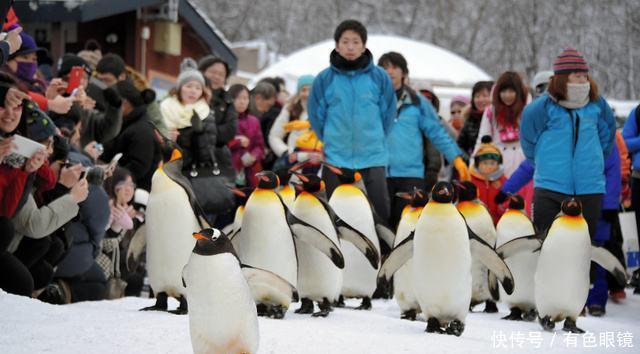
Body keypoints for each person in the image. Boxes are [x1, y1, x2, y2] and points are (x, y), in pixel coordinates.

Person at [520, 47, 616, 239]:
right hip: (549, 188)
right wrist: (543, 164)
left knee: (582, 248)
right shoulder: (541, 108)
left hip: (589, 188)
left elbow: (608, 138)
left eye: (584, 76)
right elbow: (528, 141)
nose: (583, 80)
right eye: (577, 76)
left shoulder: (597, 105)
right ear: (562, 78)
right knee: (546, 245)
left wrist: (594, 162)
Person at [307, 19, 396, 221]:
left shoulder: (379, 77)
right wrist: (330, 138)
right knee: (334, 217)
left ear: (364, 46)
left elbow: (388, 114)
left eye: (355, 42)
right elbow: (316, 116)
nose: (350, 47)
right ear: (337, 46)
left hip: (372, 156)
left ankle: (381, 252)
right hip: (336, 157)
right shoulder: (324, 79)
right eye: (345, 41)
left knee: (379, 215)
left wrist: (376, 137)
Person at [377, 51, 468, 229]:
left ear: (403, 72)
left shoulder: (418, 102)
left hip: (411, 175)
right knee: (380, 227)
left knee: (408, 229)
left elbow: (437, 132)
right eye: (385, 67)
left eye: (394, 67)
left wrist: (456, 158)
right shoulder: (372, 101)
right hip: (379, 173)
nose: (390, 71)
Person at [161, 59, 234, 215]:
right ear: (180, 88)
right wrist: (168, 142)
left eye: (197, 87)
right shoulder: (165, 108)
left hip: (195, 179)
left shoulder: (205, 113)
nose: (193, 91)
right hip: (167, 178)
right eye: (188, 86)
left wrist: (198, 133)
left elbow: (206, 155)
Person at [101, 80, 160, 191]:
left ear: (124, 103)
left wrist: (111, 175)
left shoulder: (141, 130)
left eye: (112, 103)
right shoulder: (127, 123)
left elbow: (138, 167)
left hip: (133, 194)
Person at [586, 143, 621, 316]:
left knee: (598, 254)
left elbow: (613, 172)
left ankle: (596, 300)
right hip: (576, 204)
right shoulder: (569, 133)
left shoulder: (606, 140)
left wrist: (610, 204)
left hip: (600, 206)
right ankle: (575, 299)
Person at [473, 71, 528, 178]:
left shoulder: (528, 110)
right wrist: (473, 164)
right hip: (497, 165)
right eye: (504, 91)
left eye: (511, 91)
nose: (507, 95)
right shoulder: (491, 111)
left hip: (523, 164)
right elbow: (482, 139)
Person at [269, 75, 323, 170]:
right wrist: (286, 152)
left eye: (310, 90)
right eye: (303, 90)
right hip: (293, 165)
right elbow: (274, 136)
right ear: (298, 92)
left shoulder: (324, 111)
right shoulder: (290, 109)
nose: (307, 94)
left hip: (316, 166)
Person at [227, 84, 264, 188]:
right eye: (238, 98)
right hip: (229, 168)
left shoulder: (254, 121)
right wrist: (237, 142)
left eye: (245, 98)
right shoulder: (224, 119)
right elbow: (219, 143)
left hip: (250, 170)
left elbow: (259, 146)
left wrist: (254, 156)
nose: (242, 101)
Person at [621, 102, 640, 293]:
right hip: (638, 178)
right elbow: (625, 142)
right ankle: (638, 272)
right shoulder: (638, 112)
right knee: (637, 227)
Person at [470, 136, 506, 224]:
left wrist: (502, 207)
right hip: (477, 220)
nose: (489, 166)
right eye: (485, 163)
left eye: (492, 163)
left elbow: (509, 197)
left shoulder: (503, 180)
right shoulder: (471, 180)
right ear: (478, 164)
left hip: (498, 221)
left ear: (498, 164)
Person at [458, 81, 493, 157]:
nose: (480, 100)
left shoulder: (498, 118)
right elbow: (460, 146)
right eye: (477, 96)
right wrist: (470, 160)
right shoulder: (470, 120)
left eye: (484, 96)